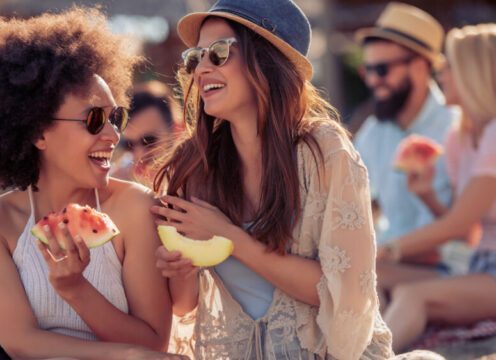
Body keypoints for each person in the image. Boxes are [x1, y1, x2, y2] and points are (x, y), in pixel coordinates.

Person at [151, 0, 393, 359]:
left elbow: (341, 293)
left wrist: (230, 237)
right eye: (195, 56)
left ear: (267, 61)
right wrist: (180, 268)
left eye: (218, 53)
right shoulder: (195, 164)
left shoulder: (324, 151)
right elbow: (184, 306)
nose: (200, 69)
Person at [0, 8, 184, 360]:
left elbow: (153, 341)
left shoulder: (137, 207)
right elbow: (21, 343)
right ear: (37, 132)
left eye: (115, 117)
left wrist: (76, 290)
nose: (113, 134)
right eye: (94, 119)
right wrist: (122, 355)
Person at [378, 23, 496, 353]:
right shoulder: (459, 139)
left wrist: (388, 248)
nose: (440, 76)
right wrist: (427, 195)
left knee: (411, 294)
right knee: (369, 274)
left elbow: (456, 224)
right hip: (478, 268)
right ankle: (363, 346)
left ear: (474, 73)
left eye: (449, 68)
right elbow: (467, 232)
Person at [353, 2, 468, 310]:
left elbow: (467, 230)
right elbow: (361, 204)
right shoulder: (373, 132)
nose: (372, 82)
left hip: (455, 269)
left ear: (419, 66)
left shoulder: (459, 125)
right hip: (394, 264)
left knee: (359, 277)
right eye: (367, 70)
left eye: (382, 70)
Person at [113, 81, 181, 187]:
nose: (139, 154)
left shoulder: (200, 179)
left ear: (177, 130)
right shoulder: (117, 179)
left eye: (148, 140)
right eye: (129, 144)